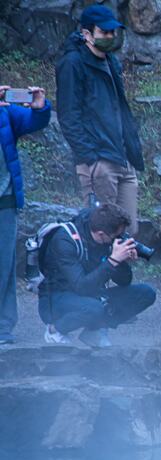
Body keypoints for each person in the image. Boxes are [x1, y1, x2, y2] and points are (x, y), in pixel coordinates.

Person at [56, 4, 143, 236]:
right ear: (87, 34)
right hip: (99, 162)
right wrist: (91, 159)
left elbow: (119, 107)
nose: (110, 36)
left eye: (113, 32)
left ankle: (120, 272)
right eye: (104, 32)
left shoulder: (111, 61)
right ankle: (96, 272)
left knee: (129, 230)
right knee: (102, 233)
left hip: (122, 158)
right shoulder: (72, 63)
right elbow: (68, 116)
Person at [37, 202, 156, 347]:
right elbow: (81, 286)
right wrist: (112, 261)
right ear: (101, 234)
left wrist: (122, 261)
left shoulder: (107, 240)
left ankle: (93, 330)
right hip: (57, 298)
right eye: (117, 236)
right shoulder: (64, 240)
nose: (120, 238)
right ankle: (55, 330)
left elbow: (124, 281)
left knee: (146, 293)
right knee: (95, 308)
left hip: (92, 295)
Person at [0, 85, 51, 346]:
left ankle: (3, 326)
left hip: (5, 200)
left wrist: (40, 106)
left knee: (4, 265)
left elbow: (34, 120)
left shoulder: (6, 113)